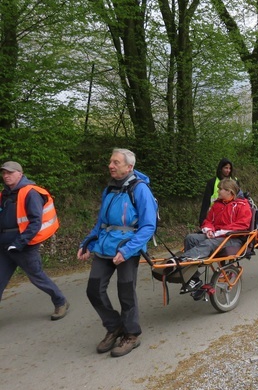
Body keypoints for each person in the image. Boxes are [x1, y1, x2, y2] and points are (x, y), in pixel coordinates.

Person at [77, 149, 157, 358]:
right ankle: (115, 327)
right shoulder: (110, 189)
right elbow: (101, 222)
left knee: (126, 292)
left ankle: (131, 334)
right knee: (93, 289)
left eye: (116, 162)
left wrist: (127, 250)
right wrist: (87, 242)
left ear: (129, 167)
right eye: (110, 161)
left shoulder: (140, 190)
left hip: (128, 247)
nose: (111, 165)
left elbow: (148, 226)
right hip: (104, 246)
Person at [0, 161, 69, 321]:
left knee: (37, 277)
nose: (6, 176)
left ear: (20, 173)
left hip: (23, 246)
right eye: (4, 173)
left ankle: (60, 301)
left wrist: (19, 243)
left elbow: (35, 222)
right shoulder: (4, 195)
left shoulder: (30, 193)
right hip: (4, 246)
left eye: (9, 173)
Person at [180, 178, 252, 293]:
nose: (218, 192)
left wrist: (218, 233)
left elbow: (242, 225)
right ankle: (193, 277)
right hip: (216, 235)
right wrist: (208, 229)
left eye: (221, 189)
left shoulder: (242, 205)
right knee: (191, 238)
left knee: (209, 243)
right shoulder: (217, 205)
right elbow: (208, 221)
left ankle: (183, 261)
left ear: (229, 192)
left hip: (233, 238)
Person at [198, 158, 241, 226]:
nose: (228, 170)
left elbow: (239, 199)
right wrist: (202, 220)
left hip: (230, 215)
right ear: (221, 168)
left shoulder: (234, 182)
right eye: (226, 168)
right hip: (214, 215)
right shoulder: (212, 182)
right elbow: (206, 202)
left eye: (229, 168)